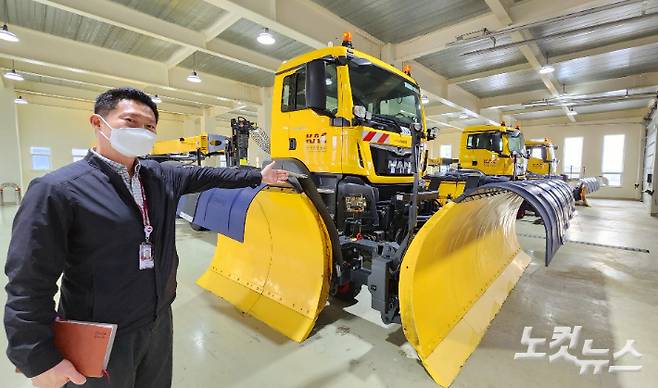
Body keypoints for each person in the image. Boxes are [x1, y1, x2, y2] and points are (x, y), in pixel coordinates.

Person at [4, 87, 288, 388]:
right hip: (100, 333)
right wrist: (38, 357)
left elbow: (210, 176)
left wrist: (259, 176)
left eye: (150, 126)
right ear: (98, 123)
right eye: (130, 121)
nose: (142, 131)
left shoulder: (161, 176)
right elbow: (29, 280)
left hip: (157, 321)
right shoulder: (59, 190)